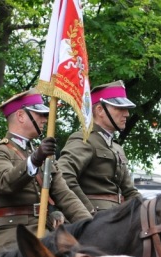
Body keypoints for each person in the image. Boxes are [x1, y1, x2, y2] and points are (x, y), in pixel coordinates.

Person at [0, 90, 91, 254]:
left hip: (44, 234)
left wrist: (91, 225)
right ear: (20, 116)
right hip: (12, 238)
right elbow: (6, 183)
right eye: (40, 114)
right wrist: (35, 159)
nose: (45, 119)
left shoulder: (42, 154)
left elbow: (65, 195)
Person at [60, 81, 141, 213]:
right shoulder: (84, 138)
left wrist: (149, 211)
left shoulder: (116, 147)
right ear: (100, 110)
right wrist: (87, 212)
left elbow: (130, 191)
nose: (126, 114)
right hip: (94, 222)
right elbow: (64, 176)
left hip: (116, 218)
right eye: (119, 108)